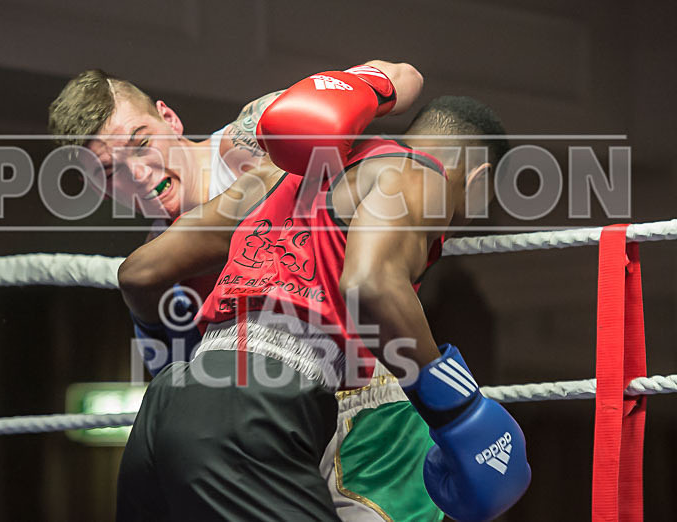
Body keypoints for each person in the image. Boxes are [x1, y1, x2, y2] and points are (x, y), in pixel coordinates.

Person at [115, 64, 531, 520]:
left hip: (167, 406)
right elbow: (369, 285)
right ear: (477, 180)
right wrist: (458, 410)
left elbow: (138, 272)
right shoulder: (420, 175)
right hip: (256, 411)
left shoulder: (277, 173)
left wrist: (185, 366)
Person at [49, 62, 451, 521]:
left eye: (141, 143)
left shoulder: (247, 141)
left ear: (170, 118)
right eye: (110, 171)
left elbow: (406, 75)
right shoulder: (156, 263)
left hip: (359, 382)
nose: (138, 173)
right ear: (100, 190)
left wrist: (365, 87)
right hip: (266, 414)